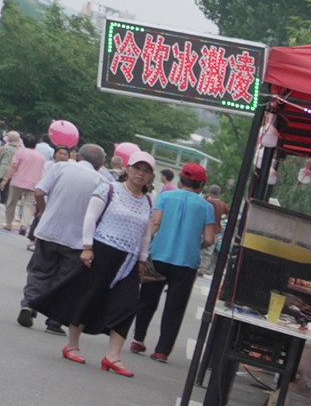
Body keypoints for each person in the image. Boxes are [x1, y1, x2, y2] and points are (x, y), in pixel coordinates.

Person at [42, 154, 159, 373]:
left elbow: (145, 233)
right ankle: (72, 346)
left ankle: (113, 357)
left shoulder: (147, 201)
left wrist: (143, 260)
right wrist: (87, 247)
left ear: (151, 175)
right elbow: (90, 218)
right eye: (137, 168)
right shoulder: (110, 189)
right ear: (128, 168)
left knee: (127, 305)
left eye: (146, 170)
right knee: (88, 297)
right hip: (102, 250)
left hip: (130, 259)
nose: (141, 173)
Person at [19, 145, 120, 331]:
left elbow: (39, 192)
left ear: (79, 155)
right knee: (64, 279)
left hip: (50, 229)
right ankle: (54, 321)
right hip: (77, 239)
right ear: (100, 163)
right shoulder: (102, 181)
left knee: (40, 271)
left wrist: (43, 210)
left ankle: (29, 304)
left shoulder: (60, 167)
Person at [126, 162, 219, 362]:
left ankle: (138, 339)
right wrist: (196, 245)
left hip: (158, 256)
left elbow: (155, 222)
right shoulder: (206, 206)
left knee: (147, 300)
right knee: (175, 307)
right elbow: (210, 239)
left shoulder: (166, 196)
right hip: (186, 263)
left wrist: (145, 246)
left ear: (179, 180)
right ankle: (162, 350)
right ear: (202, 185)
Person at [3, 131, 50, 233]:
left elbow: (14, 166)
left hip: (17, 181)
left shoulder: (20, 152)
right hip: (34, 184)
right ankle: (24, 225)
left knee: (12, 202)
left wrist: (5, 179)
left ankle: (8, 223)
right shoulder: (42, 157)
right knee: (29, 205)